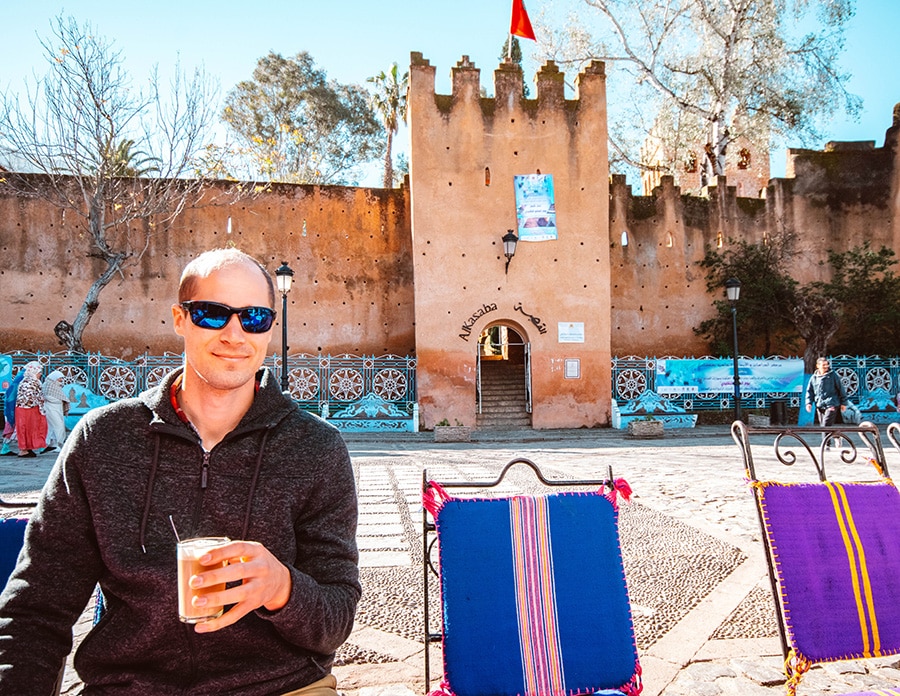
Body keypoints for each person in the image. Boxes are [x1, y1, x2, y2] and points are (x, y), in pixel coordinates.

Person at [0, 248, 360, 695]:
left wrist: (281, 587)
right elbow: (37, 606)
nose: (235, 333)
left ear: (270, 329)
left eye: (254, 318)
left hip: (283, 686)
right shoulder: (105, 438)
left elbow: (337, 615)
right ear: (180, 318)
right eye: (212, 314)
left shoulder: (315, 448)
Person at [805, 357, 848, 445]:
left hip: (831, 403)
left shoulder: (833, 375)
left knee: (825, 425)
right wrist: (808, 403)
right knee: (823, 426)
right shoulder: (814, 378)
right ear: (818, 366)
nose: (825, 366)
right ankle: (835, 436)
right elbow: (810, 391)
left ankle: (825, 444)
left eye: (826, 364)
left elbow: (841, 388)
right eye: (823, 365)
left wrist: (844, 402)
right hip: (820, 404)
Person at [13, 360, 47, 458]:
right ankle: (24, 449)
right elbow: (32, 397)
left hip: (25, 409)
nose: (40, 374)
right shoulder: (32, 382)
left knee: (28, 428)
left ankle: (27, 448)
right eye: (39, 372)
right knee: (27, 428)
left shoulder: (26, 381)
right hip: (29, 409)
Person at [41, 369, 70, 452]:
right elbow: (47, 397)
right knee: (58, 426)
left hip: (57, 409)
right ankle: (57, 443)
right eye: (59, 378)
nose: (61, 380)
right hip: (50, 409)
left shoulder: (56, 386)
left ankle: (53, 444)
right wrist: (60, 400)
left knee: (55, 427)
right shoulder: (48, 385)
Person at [0, 367, 24, 456]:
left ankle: (5, 447)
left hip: (11, 411)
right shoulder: (19, 385)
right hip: (14, 412)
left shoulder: (14, 385)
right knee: (12, 429)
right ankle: (5, 448)